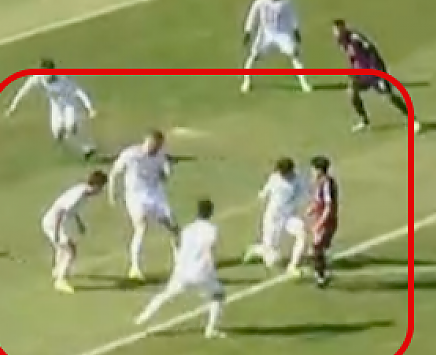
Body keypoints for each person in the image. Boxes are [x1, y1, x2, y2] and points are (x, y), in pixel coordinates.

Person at [134, 198, 225, 339]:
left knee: (165, 295)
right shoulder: (212, 230)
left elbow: (179, 244)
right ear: (211, 212)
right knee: (218, 295)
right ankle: (210, 330)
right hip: (201, 272)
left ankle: (143, 317)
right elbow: (211, 249)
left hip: (182, 271)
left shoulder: (188, 229)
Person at [108, 130, 178, 281]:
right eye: (153, 145)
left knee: (174, 226)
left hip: (155, 193)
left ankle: (180, 263)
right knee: (141, 226)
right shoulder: (131, 154)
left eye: (158, 146)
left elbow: (165, 174)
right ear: (146, 142)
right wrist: (111, 193)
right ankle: (135, 267)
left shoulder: (160, 156)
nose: (155, 148)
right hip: (135, 196)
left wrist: (167, 172)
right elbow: (114, 172)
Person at [332, 19, 420, 134]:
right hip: (360, 73)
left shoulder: (356, 38)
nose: (336, 33)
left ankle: (413, 120)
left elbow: (373, 53)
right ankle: (364, 121)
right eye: (335, 31)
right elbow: (352, 57)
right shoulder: (341, 42)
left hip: (374, 71)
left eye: (338, 30)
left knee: (389, 96)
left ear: (344, 28)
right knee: (351, 93)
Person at [4, 58, 97, 160]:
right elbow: (23, 91)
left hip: (69, 103)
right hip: (56, 106)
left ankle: (86, 147)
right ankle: (83, 149)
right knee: (58, 133)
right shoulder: (37, 78)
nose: (46, 76)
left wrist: (90, 108)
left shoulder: (63, 78)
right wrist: (13, 107)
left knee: (70, 126)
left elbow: (78, 91)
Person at [241, 0, 313, 94]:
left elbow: (292, 15)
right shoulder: (261, 0)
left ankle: (304, 83)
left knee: (295, 54)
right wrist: (248, 31)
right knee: (253, 56)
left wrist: (295, 30)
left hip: (282, 33)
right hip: (265, 33)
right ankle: (246, 81)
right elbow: (252, 14)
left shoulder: (286, 2)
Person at [40, 170, 108, 293]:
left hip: (55, 222)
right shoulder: (79, 195)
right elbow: (60, 211)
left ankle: (57, 271)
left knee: (63, 248)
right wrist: (56, 233)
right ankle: (60, 281)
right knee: (71, 250)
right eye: (101, 187)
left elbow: (72, 210)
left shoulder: (84, 192)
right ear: (96, 186)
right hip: (52, 223)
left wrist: (79, 223)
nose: (101, 191)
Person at [243, 157, 307, 277]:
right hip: (273, 219)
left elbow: (303, 194)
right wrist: (262, 195)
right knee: (273, 259)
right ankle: (255, 249)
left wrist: (295, 204)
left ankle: (292, 266)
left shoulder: (298, 179)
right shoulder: (275, 179)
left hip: (288, 217)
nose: (283, 175)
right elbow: (264, 192)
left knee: (302, 233)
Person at [308, 155, 339, 288]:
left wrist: (320, 223)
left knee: (317, 247)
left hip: (327, 220)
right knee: (319, 248)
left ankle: (321, 276)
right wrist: (312, 208)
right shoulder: (320, 182)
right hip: (321, 218)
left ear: (319, 170)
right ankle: (322, 272)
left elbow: (328, 206)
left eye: (313, 170)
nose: (312, 172)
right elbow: (319, 201)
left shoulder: (327, 184)